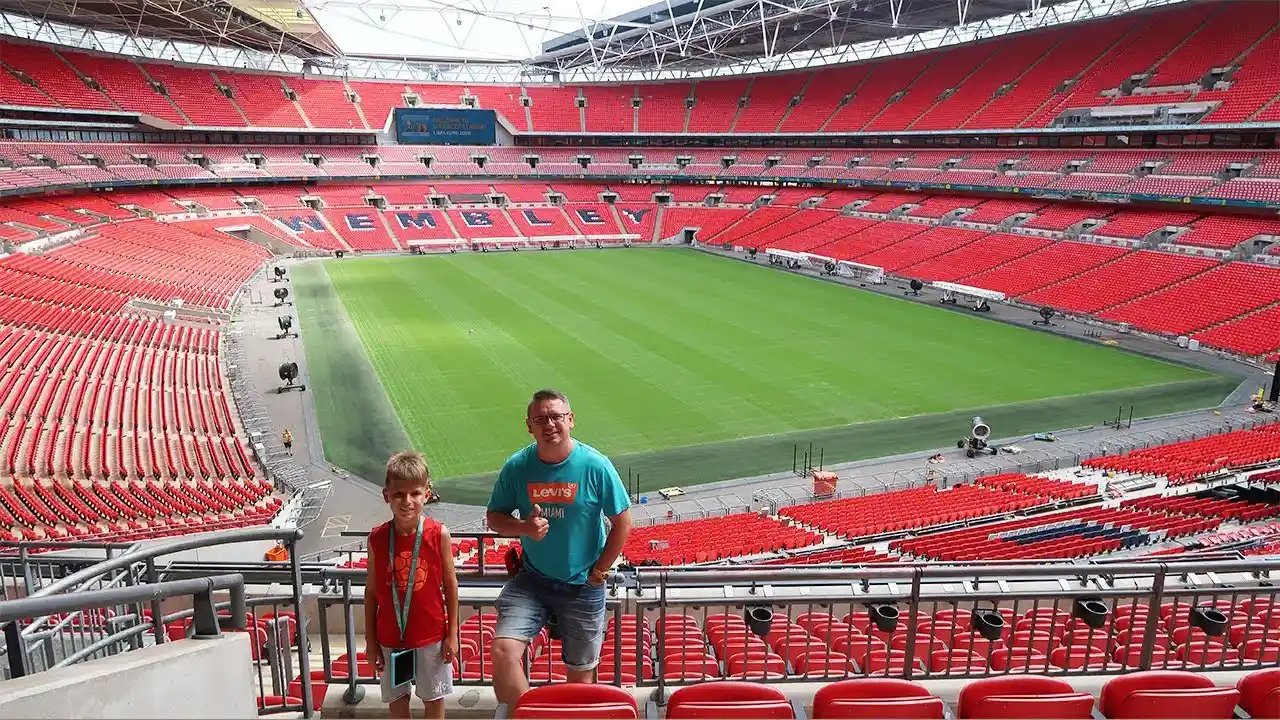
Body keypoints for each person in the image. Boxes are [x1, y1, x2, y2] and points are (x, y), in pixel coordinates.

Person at [485, 389, 633, 708]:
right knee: (503, 651)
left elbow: (622, 522)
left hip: (583, 584)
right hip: (533, 580)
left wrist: (599, 573)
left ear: (571, 420)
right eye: (541, 419)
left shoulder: (595, 465)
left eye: (556, 416)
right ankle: (529, 716)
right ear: (530, 426)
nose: (549, 424)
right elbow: (494, 518)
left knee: (580, 677)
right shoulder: (517, 466)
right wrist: (523, 527)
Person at [364, 452, 458, 720]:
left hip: (431, 637)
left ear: (426, 494)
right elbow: (371, 592)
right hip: (391, 638)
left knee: (433, 701)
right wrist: (371, 641)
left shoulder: (438, 533)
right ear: (386, 496)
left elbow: (450, 586)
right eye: (399, 495)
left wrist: (452, 633)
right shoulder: (378, 538)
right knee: (397, 703)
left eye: (415, 493)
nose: (407, 501)